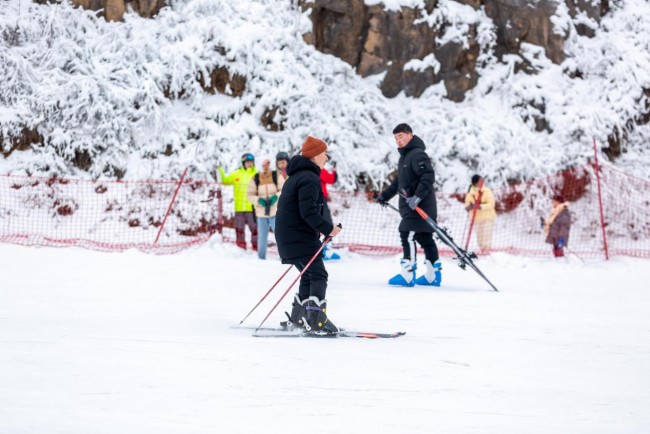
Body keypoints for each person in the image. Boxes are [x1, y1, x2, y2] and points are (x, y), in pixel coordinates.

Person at [275, 136, 342, 333]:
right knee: (319, 274)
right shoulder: (310, 178)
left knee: (308, 275)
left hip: (289, 237)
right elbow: (308, 212)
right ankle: (316, 318)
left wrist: (321, 229)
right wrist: (328, 229)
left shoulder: (296, 176)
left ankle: (300, 316)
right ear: (314, 156)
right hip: (298, 237)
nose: (326, 158)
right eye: (324, 154)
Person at [375, 123, 441, 287]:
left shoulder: (417, 154)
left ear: (410, 135)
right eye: (396, 137)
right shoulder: (405, 157)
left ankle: (407, 274)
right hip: (413, 205)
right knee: (424, 237)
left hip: (420, 206)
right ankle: (433, 276)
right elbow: (399, 182)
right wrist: (385, 196)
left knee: (407, 233)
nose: (398, 140)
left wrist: (417, 197)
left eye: (401, 136)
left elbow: (428, 176)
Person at [218, 153, 258, 250]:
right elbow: (225, 181)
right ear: (243, 163)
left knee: (254, 228)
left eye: (251, 162)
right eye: (247, 162)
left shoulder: (257, 174)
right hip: (239, 207)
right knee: (239, 228)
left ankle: (256, 245)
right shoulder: (236, 174)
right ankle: (241, 246)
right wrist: (219, 169)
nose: (249, 164)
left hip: (252, 207)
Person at [247, 158, 285, 260]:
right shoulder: (255, 178)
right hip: (261, 213)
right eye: (263, 165)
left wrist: (276, 197)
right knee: (262, 237)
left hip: (275, 211)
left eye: (267, 164)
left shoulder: (276, 176)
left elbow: (284, 189)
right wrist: (258, 200)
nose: (265, 166)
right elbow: (250, 195)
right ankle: (261, 257)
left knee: (280, 235)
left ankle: (284, 256)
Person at [464, 174, 497, 253]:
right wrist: (469, 207)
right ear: (475, 183)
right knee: (480, 236)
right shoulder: (470, 193)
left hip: (487, 217)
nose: (482, 182)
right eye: (480, 180)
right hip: (476, 218)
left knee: (486, 234)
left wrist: (479, 206)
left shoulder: (487, 191)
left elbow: (491, 204)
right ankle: (482, 250)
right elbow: (467, 204)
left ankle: (487, 250)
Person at [320, 160, 341, 260]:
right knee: (327, 223)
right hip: (321, 199)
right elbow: (331, 179)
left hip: (310, 199)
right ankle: (325, 251)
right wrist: (334, 172)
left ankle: (321, 249)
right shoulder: (318, 168)